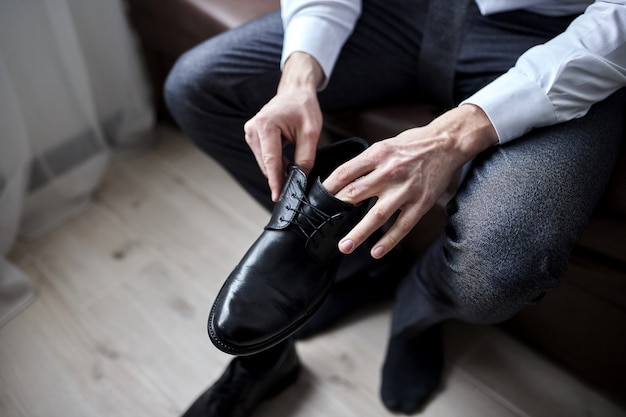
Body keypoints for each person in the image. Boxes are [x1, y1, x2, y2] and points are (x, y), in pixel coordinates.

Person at [164, 0, 626, 415]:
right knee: (196, 86)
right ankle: (358, 264)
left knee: (501, 269)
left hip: (573, 34)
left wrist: (452, 134)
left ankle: (416, 309)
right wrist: (298, 76)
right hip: (411, 9)